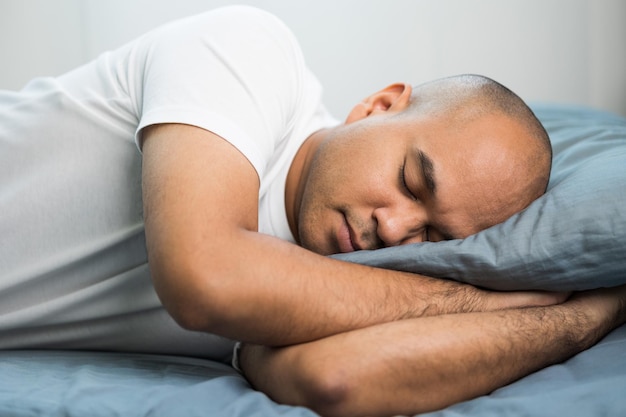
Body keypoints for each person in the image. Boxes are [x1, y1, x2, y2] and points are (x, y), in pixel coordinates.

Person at [0, 5, 624, 417]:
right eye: (412, 180)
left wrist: (579, 321)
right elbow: (204, 276)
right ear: (380, 104)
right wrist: (472, 303)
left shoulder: (335, 281)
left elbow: (339, 380)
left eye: (434, 235)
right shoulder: (249, 52)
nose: (397, 228)